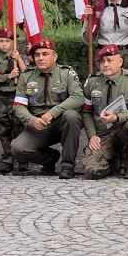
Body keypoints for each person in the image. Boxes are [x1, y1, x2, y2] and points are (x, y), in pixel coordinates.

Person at [11, 39, 84, 179]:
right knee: (17, 149)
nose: (40, 58)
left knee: (72, 116)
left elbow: (77, 98)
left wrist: (52, 113)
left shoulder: (67, 73)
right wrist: (32, 121)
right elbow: (18, 106)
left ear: (54, 56)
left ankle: (68, 165)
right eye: (37, 55)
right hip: (38, 125)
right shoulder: (26, 76)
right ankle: (50, 159)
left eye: (45, 54)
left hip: (61, 122)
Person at [82, 45, 128, 179]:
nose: (105, 65)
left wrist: (116, 118)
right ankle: (114, 161)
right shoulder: (92, 81)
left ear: (120, 62)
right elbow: (86, 112)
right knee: (91, 171)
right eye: (102, 61)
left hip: (123, 129)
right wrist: (92, 135)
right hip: (103, 134)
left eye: (109, 60)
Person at [0, 28, 25, 174]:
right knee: (4, 127)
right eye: (1, 41)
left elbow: (28, 75)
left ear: (13, 42)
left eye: (7, 41)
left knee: (19, 126)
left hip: (17, 96)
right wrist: (8, 76)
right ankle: (8, 157)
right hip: (2, 97)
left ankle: (22, 158)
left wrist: (19, 60)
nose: (4, 44)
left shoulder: (19, 58)